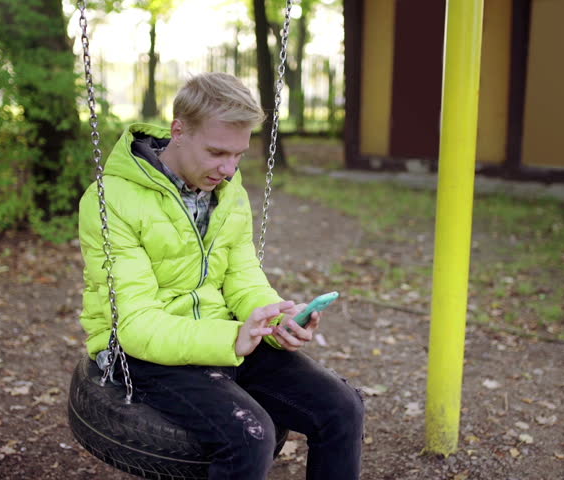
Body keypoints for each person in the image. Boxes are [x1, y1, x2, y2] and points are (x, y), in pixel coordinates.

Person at [77, 72, 363, 480]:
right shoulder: (112, 201)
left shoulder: (228, 193)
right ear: (179, 131)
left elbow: (243, 275)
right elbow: (136, 325)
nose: (228, 170)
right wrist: (232, 338)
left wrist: (275, 319)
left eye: (238, 155)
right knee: (251, 434)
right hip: (144, 353)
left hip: (222, 336)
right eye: (216, 153)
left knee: (342, 408)